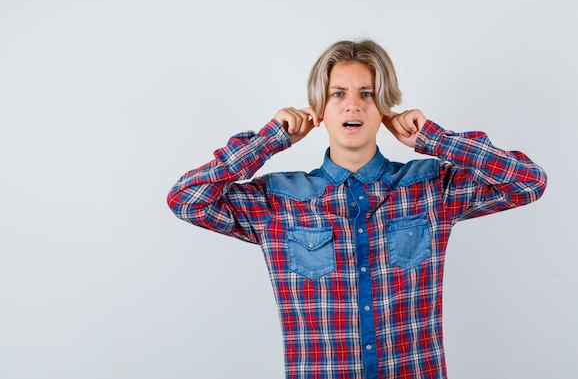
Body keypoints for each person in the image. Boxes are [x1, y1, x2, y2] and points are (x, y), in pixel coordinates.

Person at [167, 39, 547, 379]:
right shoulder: (277, 202)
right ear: (318, 109)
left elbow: (528, 182)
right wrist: (268, 141)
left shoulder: (430, 189)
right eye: (337, 94)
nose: (353, 104)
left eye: (367, 94)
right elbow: (186, 199)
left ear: (384, 107)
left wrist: (434, 138)